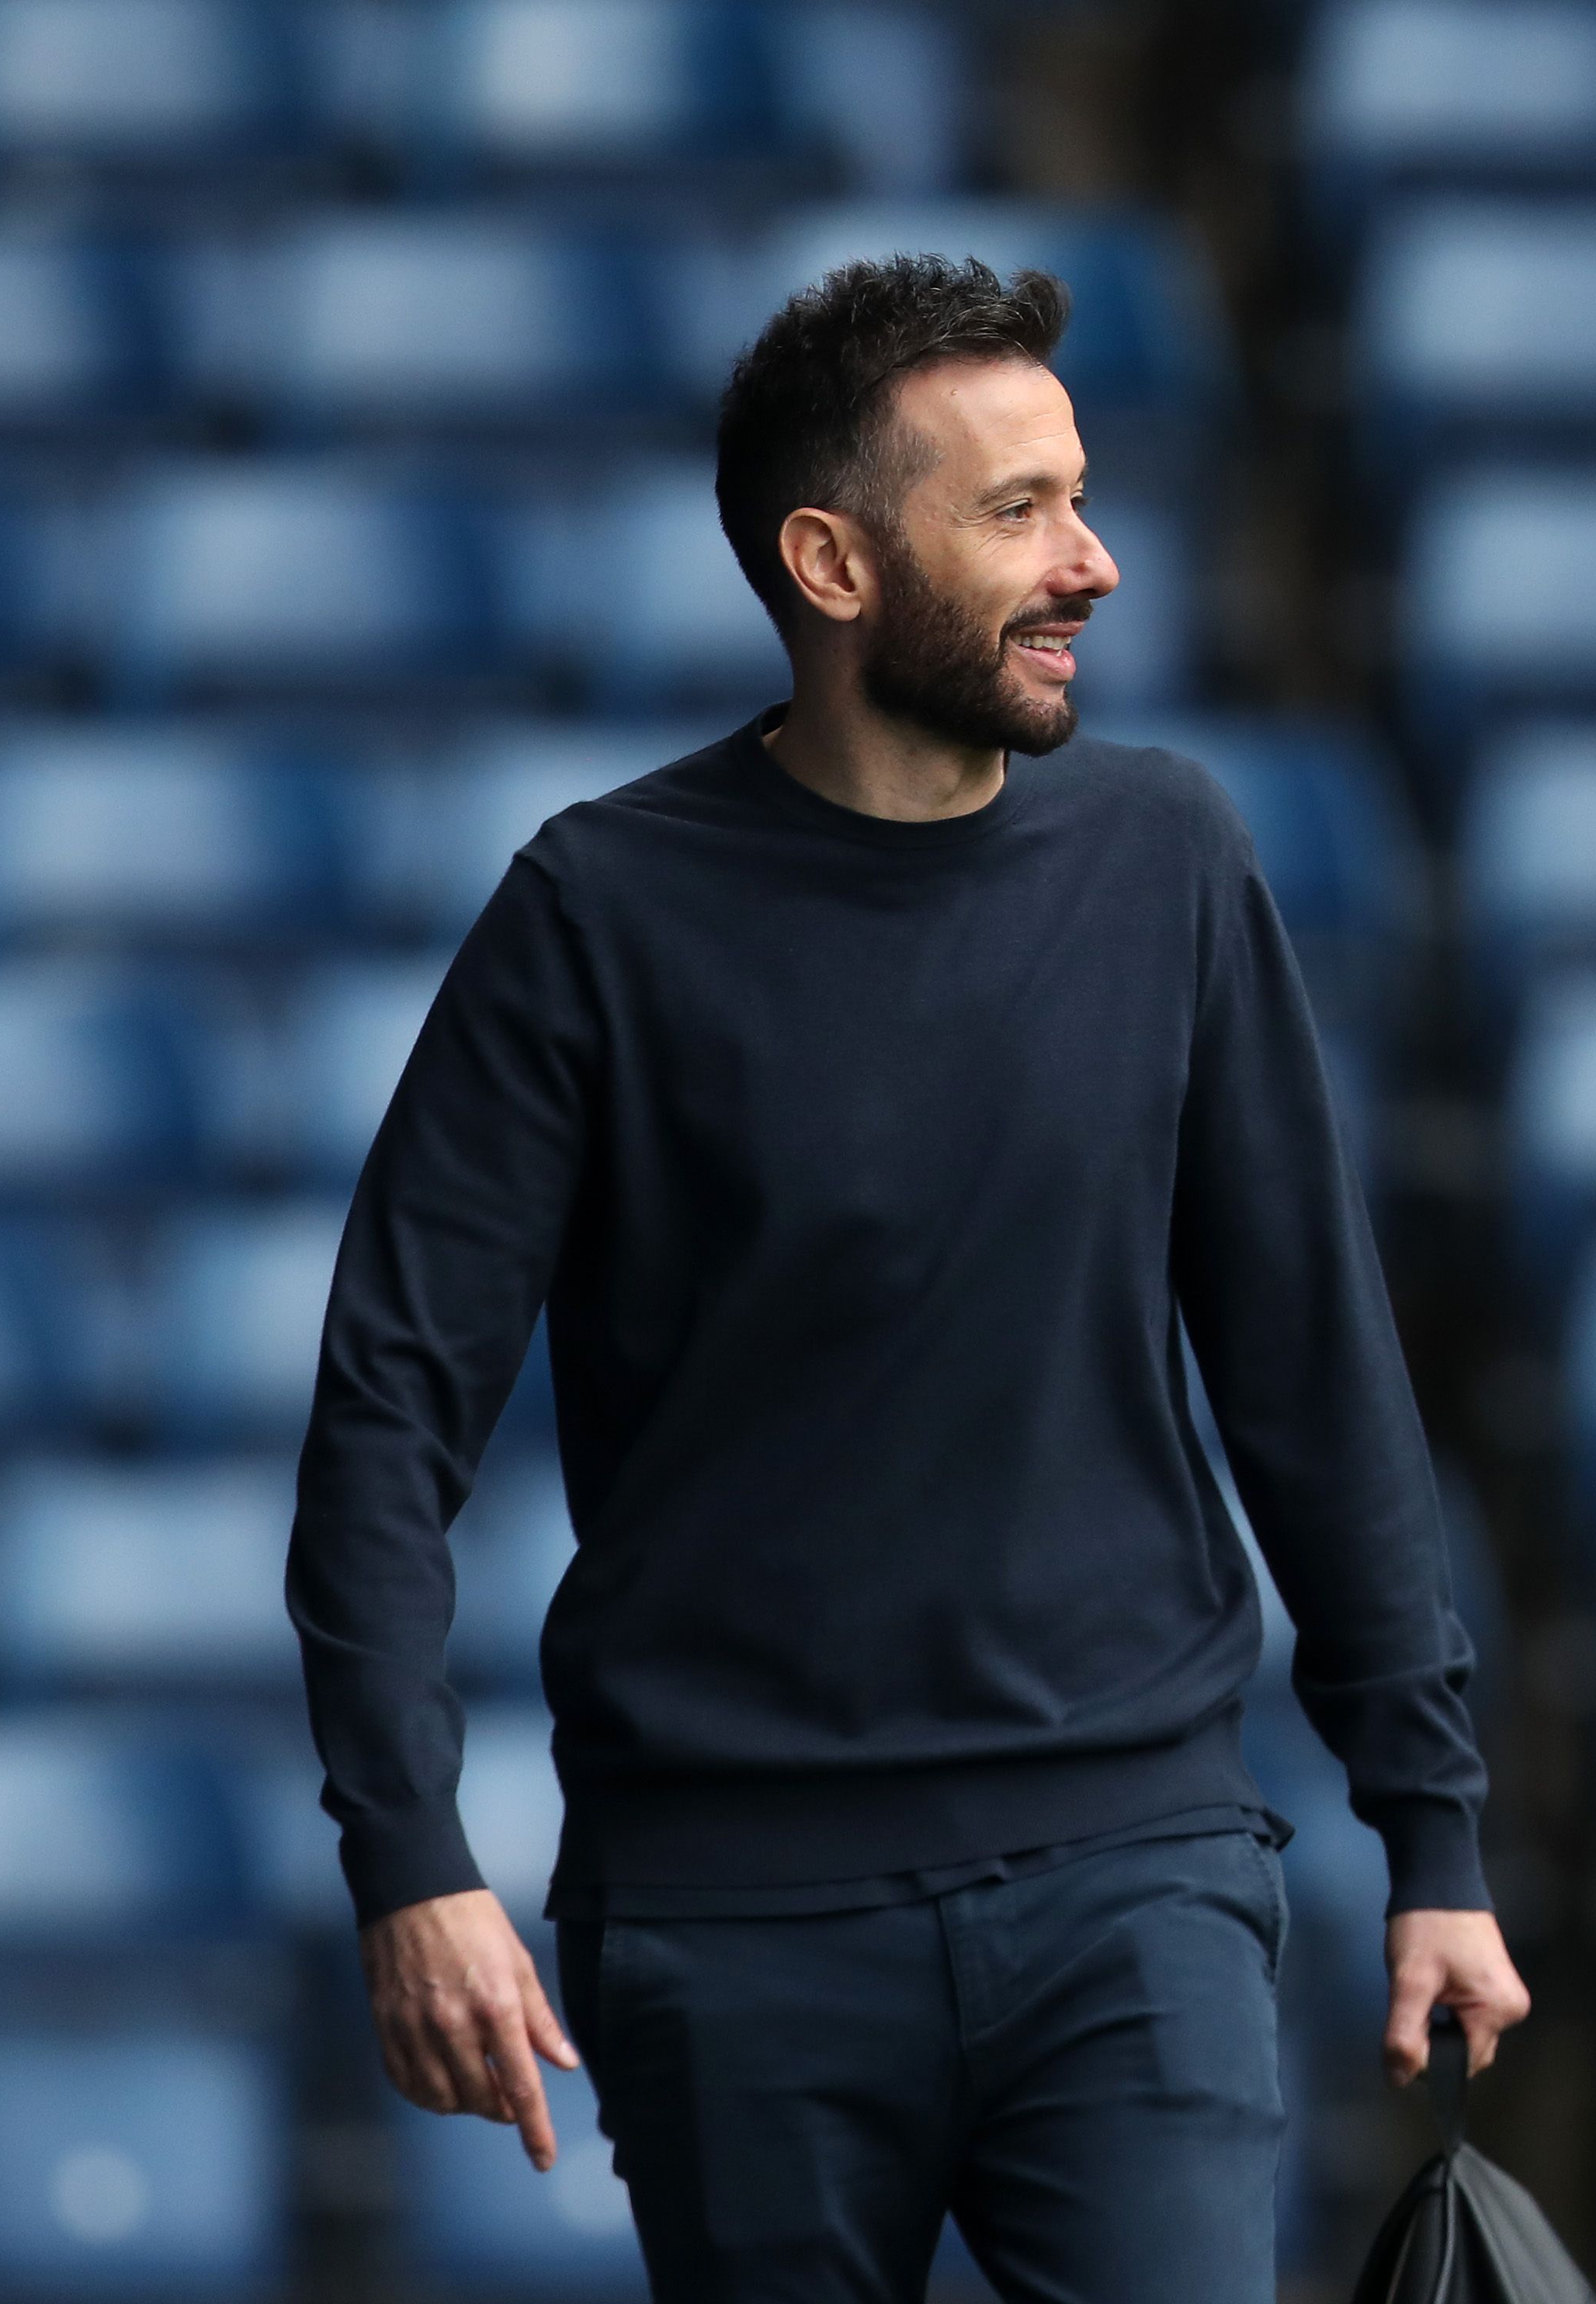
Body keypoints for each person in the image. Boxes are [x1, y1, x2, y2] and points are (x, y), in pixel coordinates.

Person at [288, 254, 1528, 2304]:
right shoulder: (594, 917)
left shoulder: (1173, 861)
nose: (1095, 564)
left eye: (1083, 494)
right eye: (1017, 511)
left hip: (1137, 1886)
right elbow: (384, 1423)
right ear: (830, 563)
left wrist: (1435, 1830)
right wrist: (411, 1857)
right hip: (732, 1924)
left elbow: (1316, 1380)